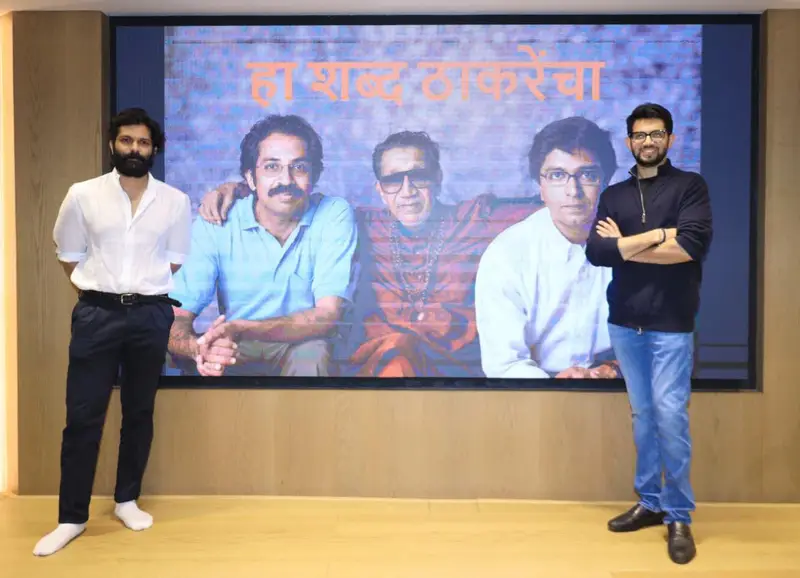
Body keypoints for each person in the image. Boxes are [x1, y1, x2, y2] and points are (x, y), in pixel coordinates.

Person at [196, 130, 539, 378]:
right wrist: (239, 190)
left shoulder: (476, 218)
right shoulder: (358, 223)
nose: (407, 191)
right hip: (381, 367)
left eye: (418, 177)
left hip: (456, 372)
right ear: (380, 189)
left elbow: (551, 206)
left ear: (437, 178)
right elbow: (292, 200)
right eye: (393, 181)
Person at [35, 108, 192, 556]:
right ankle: (71, 518)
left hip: (150, 315)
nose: (134, 149)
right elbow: (68, 253)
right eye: (126, 141)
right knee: (83, 415)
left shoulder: (175, 201)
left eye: (143, 142)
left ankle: (127, 500)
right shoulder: (83, 194)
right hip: (97, 315)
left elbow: (174, 259)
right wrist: (101, 291)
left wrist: (138, 292)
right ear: (112, 145)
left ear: (154, 149)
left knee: (139, 411)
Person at [585, 103, 712, 564]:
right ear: (629, 142)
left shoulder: (690, 186)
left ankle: (678, 514)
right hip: (625, 323)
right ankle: (650, 502)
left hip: (672, 323)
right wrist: (657, 235)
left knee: (671, 417)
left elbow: (691, 247)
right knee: (643, 416)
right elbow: (597, 252)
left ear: (670, 139)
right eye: (639, 135)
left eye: (656, 134)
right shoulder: (614, 194)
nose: (648, 142)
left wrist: (624, 245)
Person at [166, 114, 358, 377]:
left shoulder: (333, 214)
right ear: (250, 178)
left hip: (299, 343)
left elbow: (327, 315)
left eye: (299, 167)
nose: (286, 180)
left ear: (314, 176)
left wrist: (243, 327)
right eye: (271, 167)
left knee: (313, 352)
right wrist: (197, 348)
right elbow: (176, 315)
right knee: (192, 351)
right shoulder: (216, 221)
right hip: (234, 344)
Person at [475, 117, 619, 379]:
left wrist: (613, 371)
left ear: (606, 182)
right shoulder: (506, 255)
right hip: (534, 391)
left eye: (587, 175)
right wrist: (554, 388)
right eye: (557, 175)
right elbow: (504, 365)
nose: (573, 190)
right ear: (540, 187)